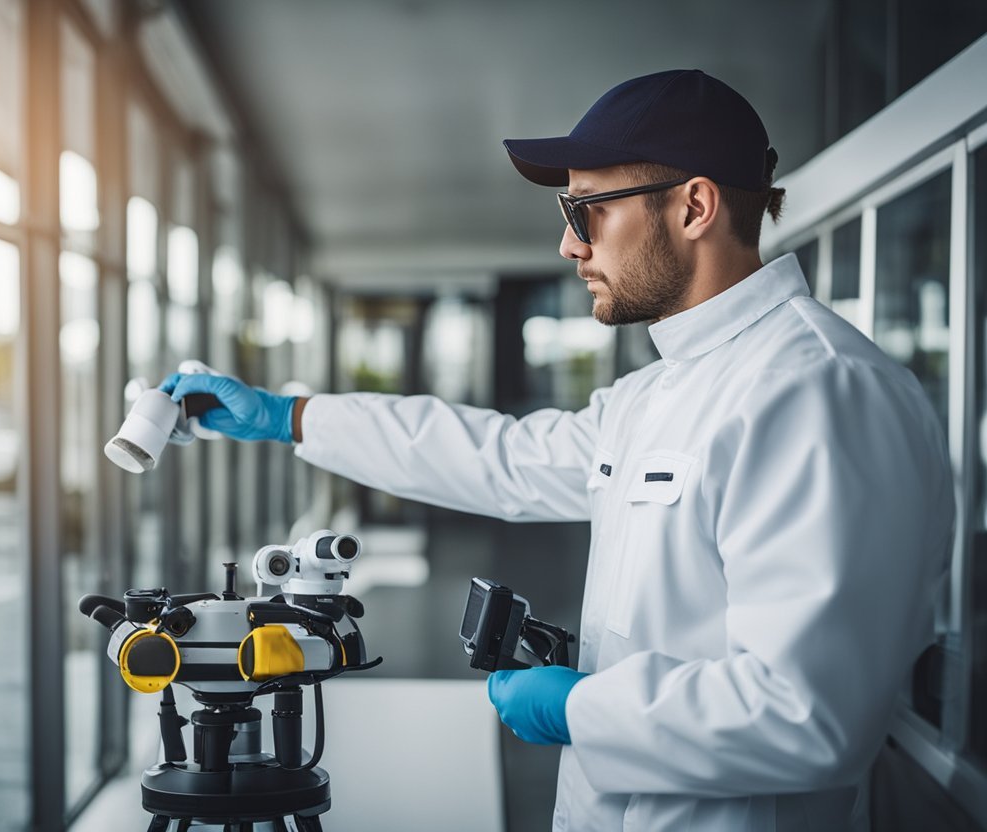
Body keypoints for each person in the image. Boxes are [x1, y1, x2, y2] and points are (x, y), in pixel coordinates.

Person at [160, 69, 954, 831]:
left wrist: (579, 707)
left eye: (587, 211)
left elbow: (808, 716)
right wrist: (289, 416)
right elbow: (498, 457)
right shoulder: (660, 391)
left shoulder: (820, 391)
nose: (570, 246)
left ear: (694, 206)